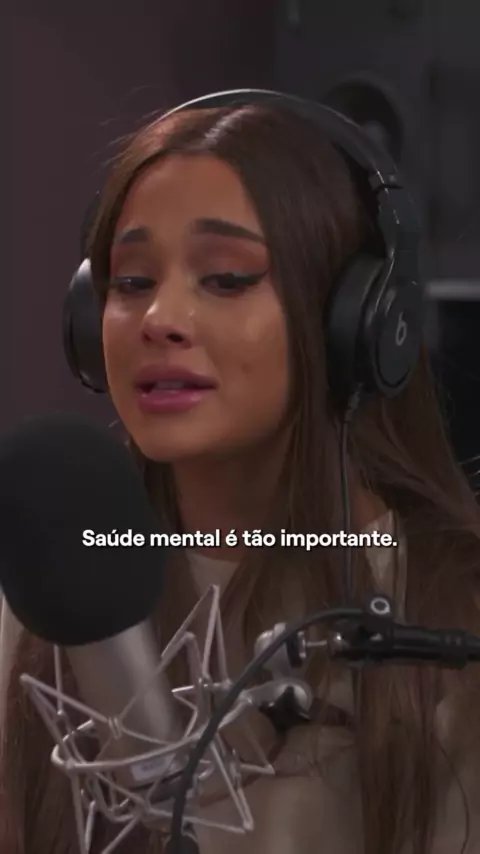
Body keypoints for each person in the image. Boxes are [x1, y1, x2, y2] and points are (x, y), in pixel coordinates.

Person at [1, 95, 480, 854]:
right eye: (131, 282)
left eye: (225, 278)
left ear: (356, 322)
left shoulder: (453, 620)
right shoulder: (46, 593)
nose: (160, 318)